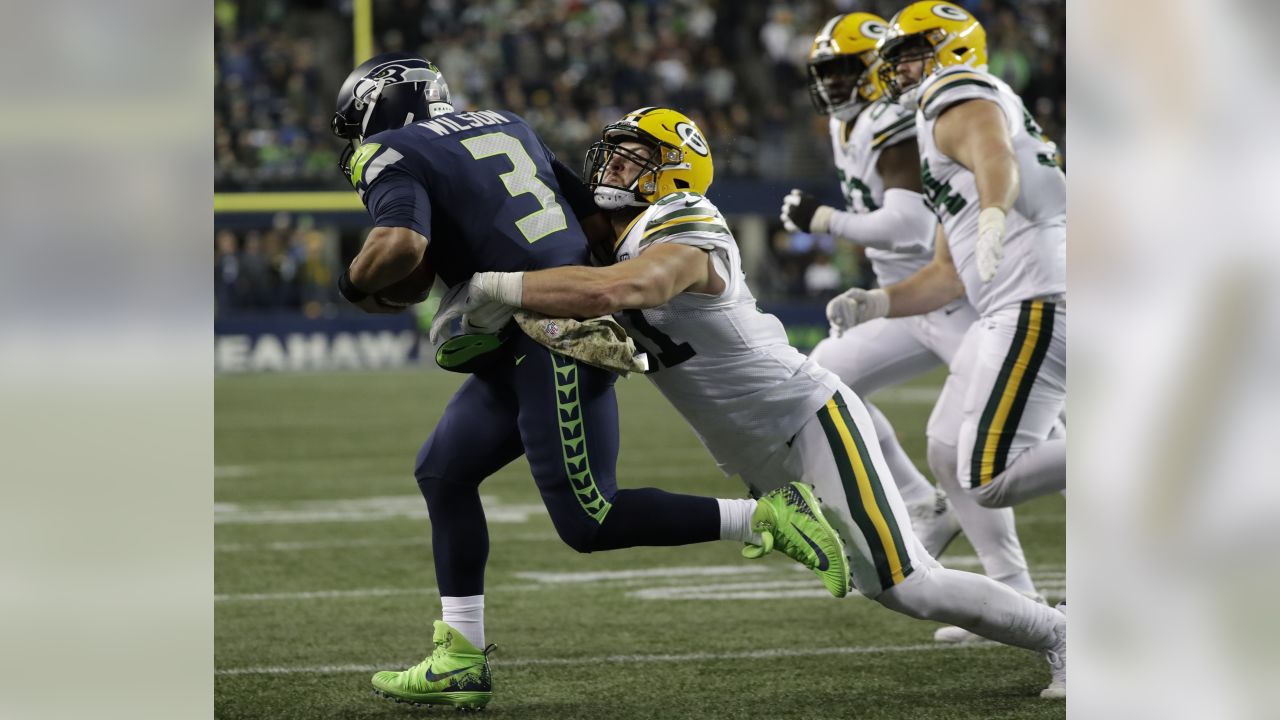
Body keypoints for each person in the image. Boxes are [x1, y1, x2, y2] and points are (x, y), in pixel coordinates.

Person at [441, 106, 1066, 698]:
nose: (612, 169)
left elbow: (635, 285)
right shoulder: (614, 235)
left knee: (911, 585)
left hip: (806, 417)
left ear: (674, 172)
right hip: (760, 448)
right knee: (893, 588)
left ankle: (1065, 637)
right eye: (613, 156)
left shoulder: (685, 220)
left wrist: (496, 286)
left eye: (633, 159)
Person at [329, 53, 851, 711]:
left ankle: (769, 514)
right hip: (523, 332)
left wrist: (353, 284)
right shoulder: (506, 123)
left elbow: (399, 247)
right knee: (443, 470)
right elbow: (593, 226)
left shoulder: (385, 149)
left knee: (589, 519)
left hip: (553, 335)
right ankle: (460, 656)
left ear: (376, 109)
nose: (356, 141)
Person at [780, 11, 1044, 644]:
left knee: (999, 449)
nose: (834, 83)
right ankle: (934, 514)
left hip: (955, 300)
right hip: (909, 301)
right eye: (828, 71)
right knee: (819, 380)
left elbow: (906, 224)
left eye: (846, 69)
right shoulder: (861, 121)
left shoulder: (898, 119)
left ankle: (1027, 581)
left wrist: (825, 220)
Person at [831, 1, 1067, 509]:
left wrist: (994, 214)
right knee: (970, 455)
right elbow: (946, 277)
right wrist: (873, 304)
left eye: (911, 54)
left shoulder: (955, 89)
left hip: (1036, 295)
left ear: (951, 48)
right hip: (1028, 299)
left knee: (988, 473)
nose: (898, 70)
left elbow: (994, 157)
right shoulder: (936, 121)